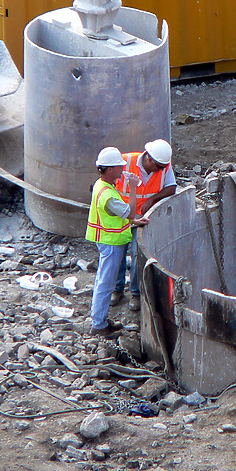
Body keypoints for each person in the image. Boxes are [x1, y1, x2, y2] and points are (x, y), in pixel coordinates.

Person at [87, 146, 148, 338]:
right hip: (111, 242)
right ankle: (99, 324)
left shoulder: (102, 185)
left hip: (107, 240)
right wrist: (132, 187)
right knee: (106, 283)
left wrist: (135, 221)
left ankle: (101, 320)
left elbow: (117, 215)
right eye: (120, 167)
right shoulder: (107, 194)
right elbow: (129, 212)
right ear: (111, 169)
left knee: (103, 280)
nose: (123, 170)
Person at [111, 138, 176, 311]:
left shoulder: (164, 166)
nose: (162, 170)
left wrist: (152, 199)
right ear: (149, 159)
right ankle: (116, 289)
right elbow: (108, 184)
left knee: (137, 254)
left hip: (143, 220)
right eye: (159, 167)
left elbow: (171, 188)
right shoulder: (125, 161)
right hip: (121, 218)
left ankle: (135, 293)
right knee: (117, 254)